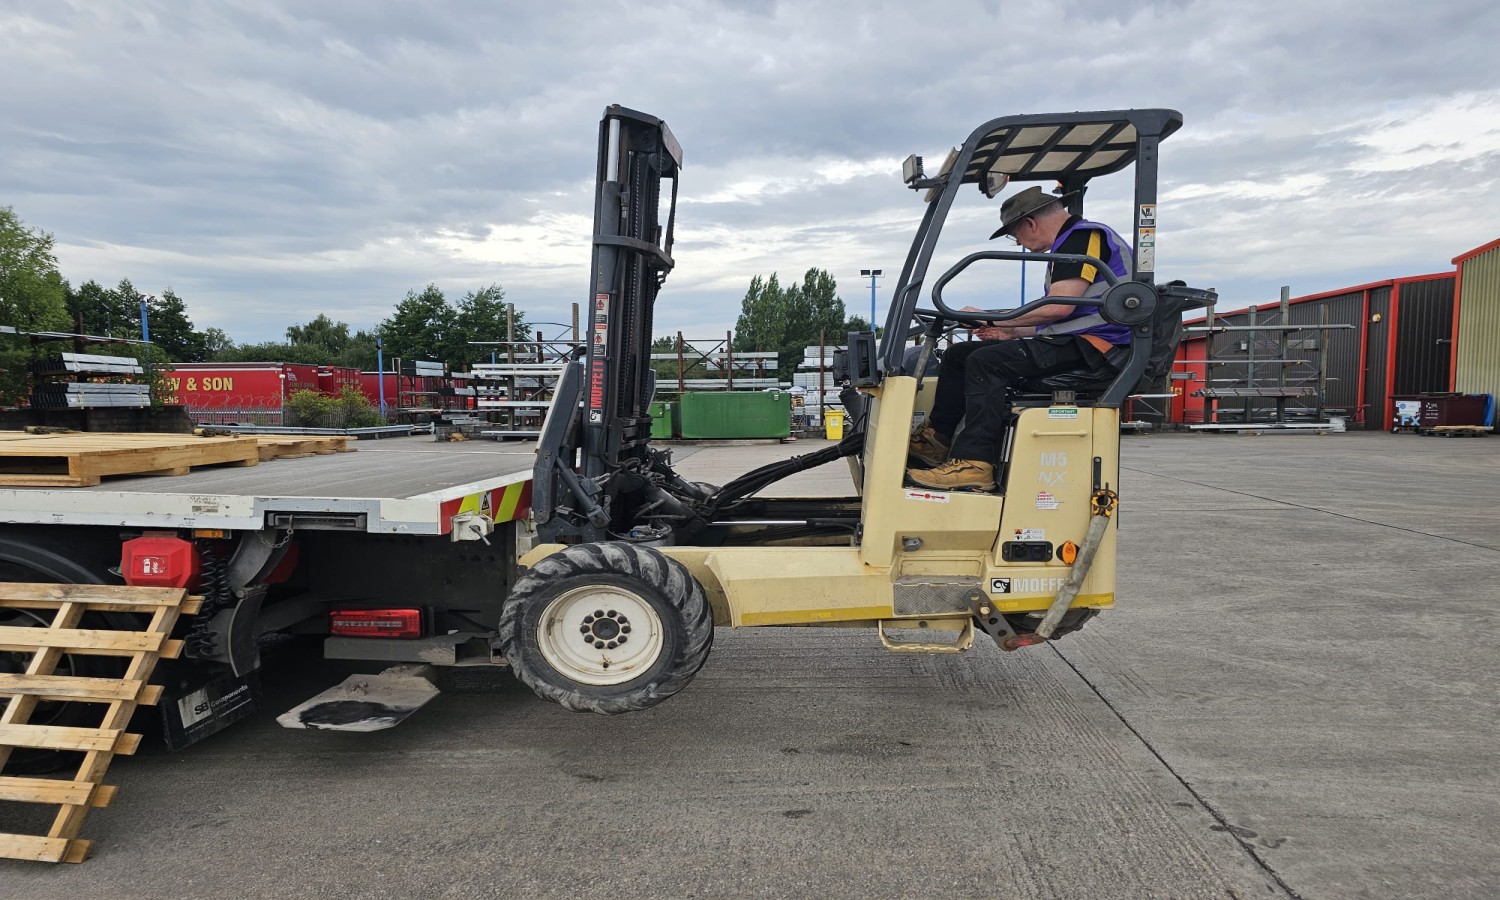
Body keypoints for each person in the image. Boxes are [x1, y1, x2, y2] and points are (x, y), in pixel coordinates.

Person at [906, 185, 1133, 492]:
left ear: (1030, 224)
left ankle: (975, 464)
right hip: (1081, 340)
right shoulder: (1070, 244)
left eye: (1016, 236)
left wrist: (991, 318)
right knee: (958, 355)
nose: (1020, 244)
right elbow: (1068, 317)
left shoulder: (1082, 238)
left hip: (1100, 348)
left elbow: (1059, 308)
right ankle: (936, 443)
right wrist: (1011, 330)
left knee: (987, 362)